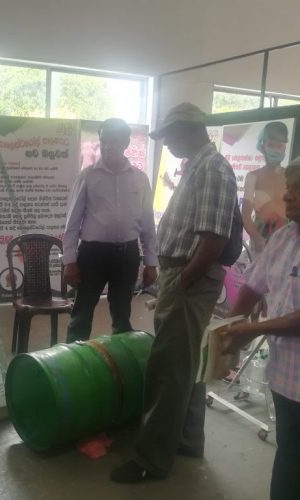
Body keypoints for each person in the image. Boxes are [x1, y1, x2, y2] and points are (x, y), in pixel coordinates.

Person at [111, 103, 238, 483]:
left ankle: (151, 458)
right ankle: (187, 439)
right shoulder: (197, 166)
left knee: (167, 368)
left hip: (190, 280)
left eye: (168, 136)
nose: (165, 143)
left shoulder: (212, 169)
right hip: (184, 276)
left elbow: (213, 239)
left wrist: (182, 281)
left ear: (188, 130)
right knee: (185, 365)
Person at [222, 157, 300, 500]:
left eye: (298, 190)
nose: (288, 196)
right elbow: (253, 286)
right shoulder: (285, 237)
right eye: (289, 188)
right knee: (290, 454)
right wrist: (230, 329)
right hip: (286, 376)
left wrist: (254, 330)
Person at [62, 118, 158, 343]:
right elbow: (72, 222)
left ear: (126, 143)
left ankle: (120, 359)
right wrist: (69, 261)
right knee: (81, 314)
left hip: (127, 255)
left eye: (114, 141)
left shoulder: (140, 179)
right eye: (104, 140)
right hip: (92, 255)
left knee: (122, 315)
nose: (107, 146)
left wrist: (151, 263)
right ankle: (72, 359)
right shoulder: (87, 176)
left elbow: (147, 223)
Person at [242, 121, 288, 255]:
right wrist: (257, 238)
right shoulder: (252, 177)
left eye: (279, 145)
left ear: (284, 148)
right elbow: (245, 215)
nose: (275, 149)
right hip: (260, 238)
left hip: (286, 238)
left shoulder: (291, 176)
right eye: (271, 145)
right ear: (263, 146)